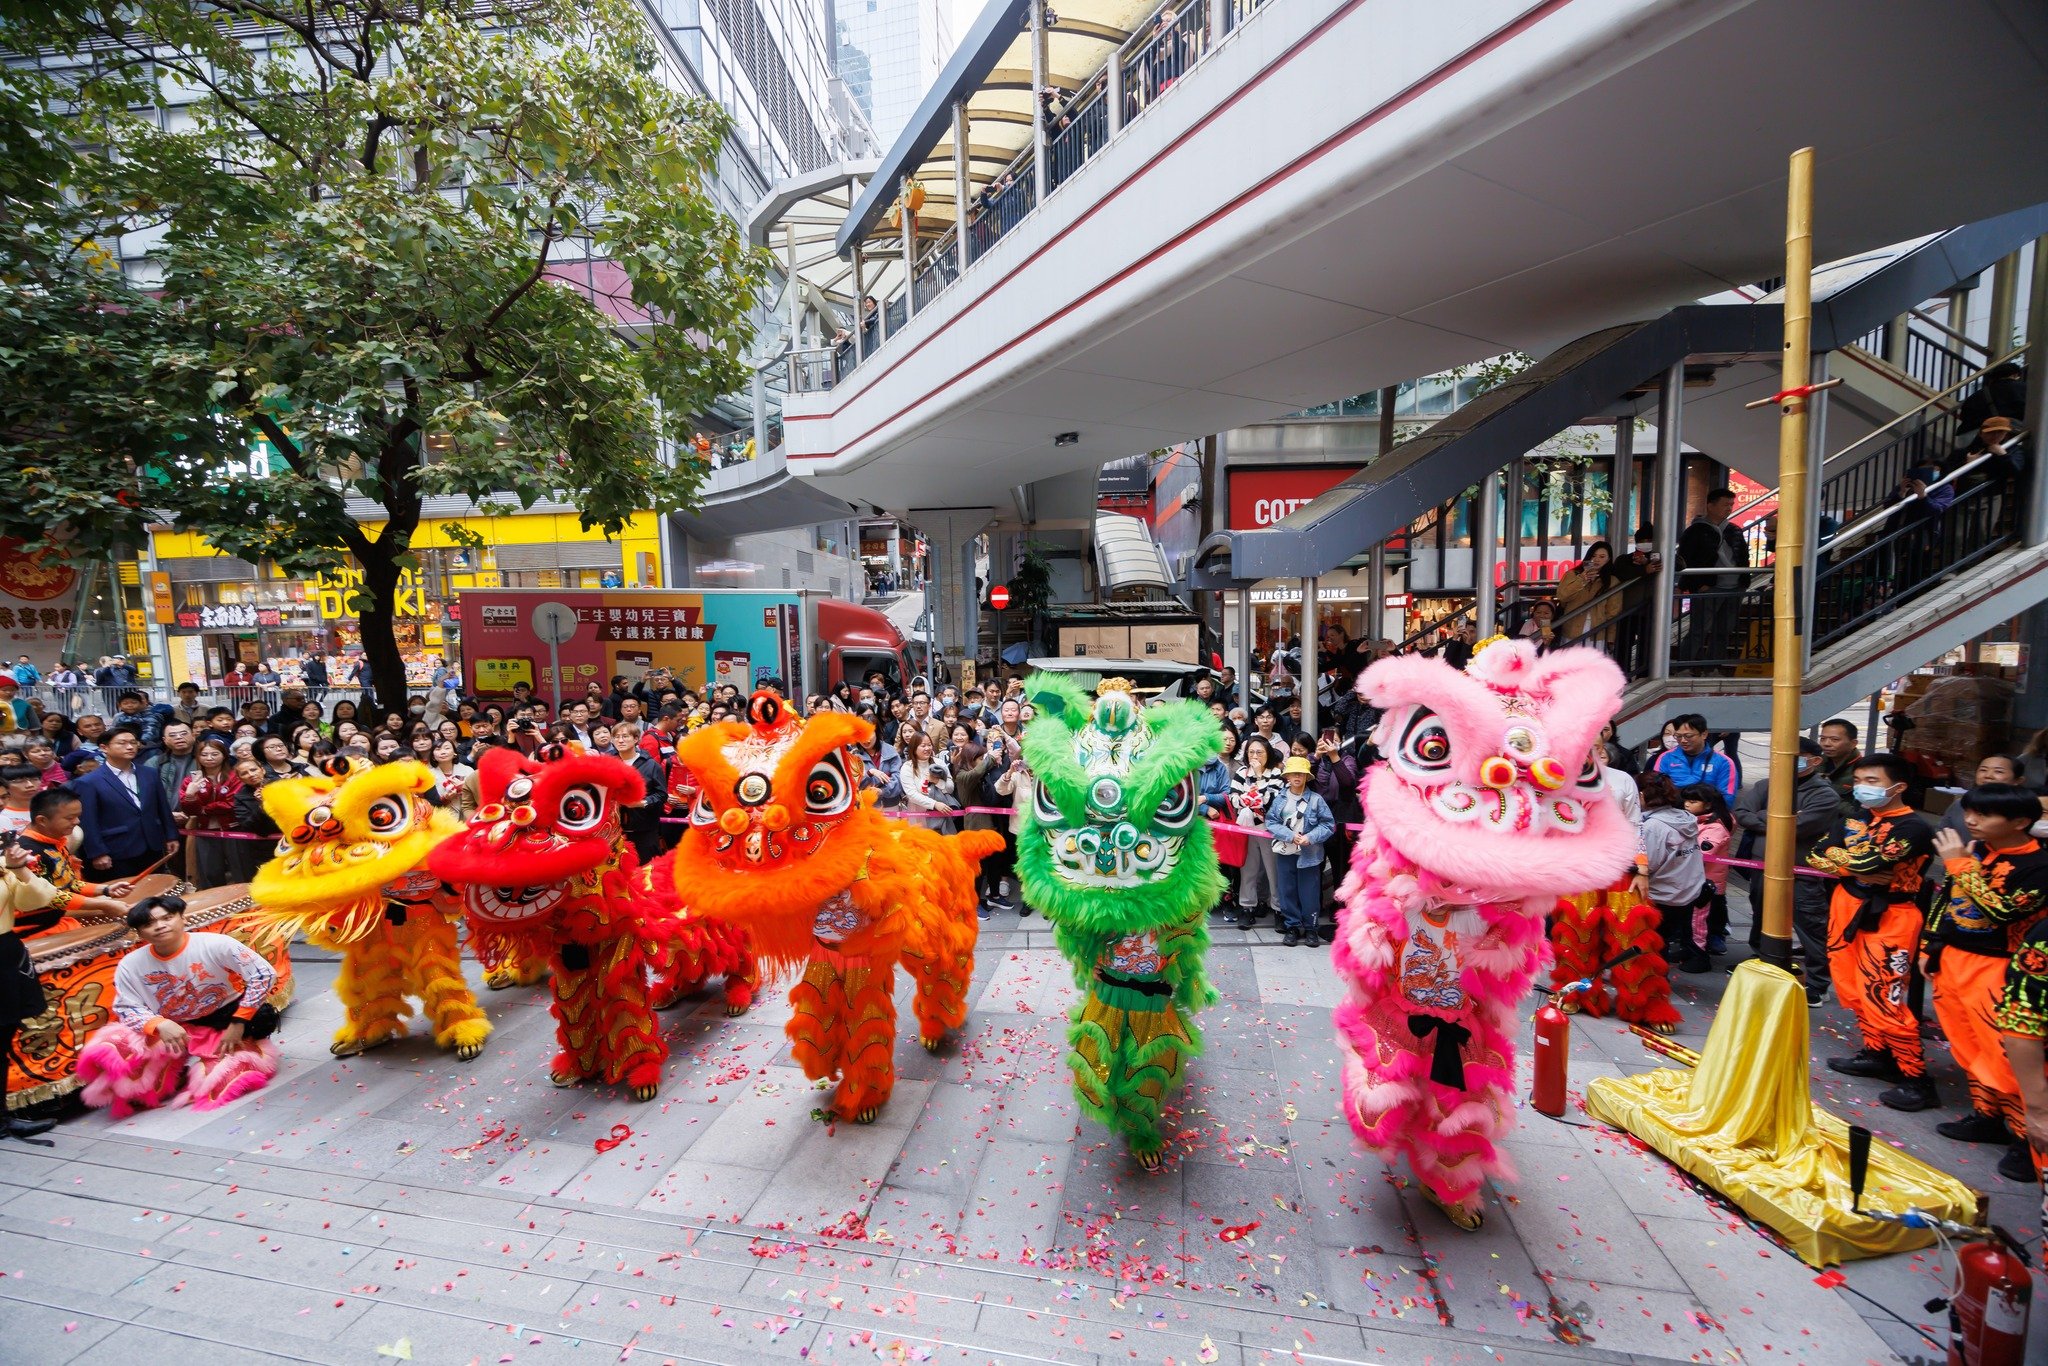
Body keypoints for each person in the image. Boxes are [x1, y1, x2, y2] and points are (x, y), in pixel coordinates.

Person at [1920, 784, 2048, 1177]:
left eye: (1982, 815)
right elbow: (1946, 899)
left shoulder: (2038, 866)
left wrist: (1959, 864)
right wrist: (1930, 944)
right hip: (1954, 962)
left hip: (1999, 967)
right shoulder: (1977, 852)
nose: (1970, 821)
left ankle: (2030, 1140)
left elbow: (2002, 912)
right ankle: (1986, 1115)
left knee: (2003, 1054)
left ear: (2020, 822)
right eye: (1969, 812)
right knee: (1967, 1045)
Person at [77, 894, 281, 1117]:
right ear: (138, 932)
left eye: (167, 918)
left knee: (214, 1080)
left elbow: (263, 974)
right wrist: (159, 1024)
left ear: (182, 917)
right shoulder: (131, 964)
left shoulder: (214, 944)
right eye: (148, 923)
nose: (160, 926)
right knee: (113, 1049)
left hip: (223, 1021)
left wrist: (240, 1022)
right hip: (170, 1028)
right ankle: (174, 1068)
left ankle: (234, 1049)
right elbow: (126, 1006)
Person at [1808, 752, 1937, 1100]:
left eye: (1873, 781)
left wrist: (1847, 862)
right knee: (1852, 987)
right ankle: (1877, 1052)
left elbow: (1869, 859)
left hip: (1891, 918)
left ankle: (1916, 1077)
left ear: (1899, 786)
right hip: (1847, 909)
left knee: (1884, 993)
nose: (1864, 788)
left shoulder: (1912, 827)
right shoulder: (1857, 817)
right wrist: (1854, 866)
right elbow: (1817, 853)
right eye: (1860, 781)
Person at [1732, 737, 1841, 991]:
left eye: (1797, 756)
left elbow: (1796, 827)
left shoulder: (1824, 795)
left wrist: (1764, 819)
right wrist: (1774, 820)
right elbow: (1742, 814)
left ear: (1815, 761)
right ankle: (1761, 959)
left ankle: (1817, 982)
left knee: (1809, 923)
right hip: (1763, 863)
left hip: (1800, 867)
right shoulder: (1766, 785)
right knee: (1761, 913)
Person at [0, 839, 61, 1141]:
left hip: (5, 953)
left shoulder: (4, 863)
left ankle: (1, 1120)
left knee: (3, 1035)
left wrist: (18, 869)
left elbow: (37, 900)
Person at [16, 786, 135, 937]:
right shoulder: (28, 853)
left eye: (78, 816)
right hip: (32, 931)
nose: (77, 821)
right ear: (42, 820)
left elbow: (69, 883)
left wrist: (105, 890)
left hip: (55, 923)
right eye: (69, 818)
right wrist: (102, 904)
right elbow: (50, 896)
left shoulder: (55, 843)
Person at [73, 727, 180, 881]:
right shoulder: (89, 782)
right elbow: (88, 821)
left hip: (152, 844)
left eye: (133, 742)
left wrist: (171, 836)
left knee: (153, 889)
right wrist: (97, 852)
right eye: (122, 743)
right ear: (104, 748)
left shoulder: (149, 773)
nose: (130, 747)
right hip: (116, 849)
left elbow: (162, 807)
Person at [1638, 771, 1710, 976]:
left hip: (1662, 896)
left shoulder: (1654, 826)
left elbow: (1646, 864)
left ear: (1643, 795)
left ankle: (1653, 987)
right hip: (1686, 893)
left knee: (1652, 947)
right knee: (1663, 942)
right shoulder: (1684, 818)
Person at [1266, 756, 1334, 948]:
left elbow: (1328, 824)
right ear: (1287, 776)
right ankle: (1292, 926)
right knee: (1287, 890)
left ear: (1307, 776)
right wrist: (1288, 835)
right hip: (1285, 853)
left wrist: (1310, 837)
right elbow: (1271, 822)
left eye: (1301, 773)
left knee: (1309, 892)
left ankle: (1311, 928)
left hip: (1310, 855)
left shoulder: (1316, 799)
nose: (1297, 777)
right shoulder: (1280, 799)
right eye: (1294, 773)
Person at [1678, 489, 1748, 664]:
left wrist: (1744, 581)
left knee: (1724, 630)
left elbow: (1743, 557)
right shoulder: (1696, 531)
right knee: (1698, 630)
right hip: (1709, 587)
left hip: (1734, 587)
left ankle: (1713, 666)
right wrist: (1699, 585)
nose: (1729, 508)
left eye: (1731, 505)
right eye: (1725, 504)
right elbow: (1685, 559)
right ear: (1710, 505)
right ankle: (1683, 666)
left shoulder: (1734, 531)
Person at [1229, 736, 1284, 929]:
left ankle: (1278, 909)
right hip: (1247, 827)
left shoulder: (1276, 772)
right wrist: (1249, 800)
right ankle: (1247, 907)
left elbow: (1272, 800)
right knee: (1248, 869)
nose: (1255, 756)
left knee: (1273, 870)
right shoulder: (1242, 772)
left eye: (1259, 752)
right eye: (1251, 752)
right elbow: (1233, 797)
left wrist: (1259, 777)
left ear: (1267, 753)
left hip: (1268, 828)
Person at [179, 738, 241, 889]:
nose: (209, 758)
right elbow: (189, 809)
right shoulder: (191, 780)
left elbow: (232, 804)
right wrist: (190, 795)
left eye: (215, 754)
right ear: (198, 757)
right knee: (209, 873)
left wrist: (204, 809)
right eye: (204, 754)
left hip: (233, 829)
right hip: (205, 831)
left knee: (240, 871)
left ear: (224, 755)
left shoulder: (235, 777)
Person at [1680, 783, 1734, 955]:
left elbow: (1702, 852)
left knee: (1699, 922)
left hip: (1707, 883)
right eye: (1686, 800)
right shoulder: (1699, 821)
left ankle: (1697, 954)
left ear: (1708, 804)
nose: (1687, 804)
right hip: (1699, 880)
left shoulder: (1715, 827)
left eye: (1693, 801)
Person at [1653, 714, 1736, 800]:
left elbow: (1727, 796)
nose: (1683, 740)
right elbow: (1656, 790)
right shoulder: (1665, 758)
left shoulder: (1723, 762)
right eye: (1678, 736)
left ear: (1704, 734)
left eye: (1688, 736)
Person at [1554, 541, 1616, 642]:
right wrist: (1582, 579)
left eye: (1602, 556)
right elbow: (1562, 596)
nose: (1596, 559)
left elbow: (1612, 612)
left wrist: (1610, 639)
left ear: (1608, 559)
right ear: (1588, 557)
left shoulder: (1612, 581)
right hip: (1572, 629)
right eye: (1593, 555)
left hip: (1597, 632)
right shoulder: (1572, 575)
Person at [1815, 718, 1863, 815]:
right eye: (1822, 739)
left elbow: (1857, 812)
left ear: (1853, 743)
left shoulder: (1863, 770)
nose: (1826, 744)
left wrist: (1825, 797)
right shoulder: (1815, 764)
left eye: (1835, 739)